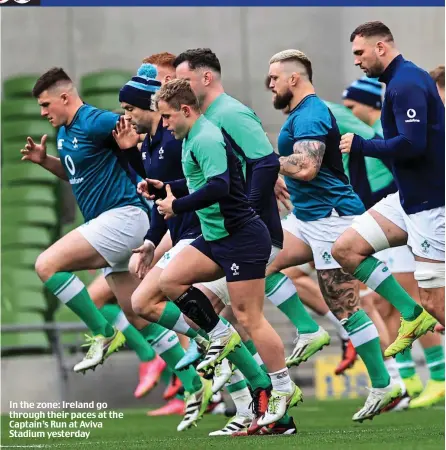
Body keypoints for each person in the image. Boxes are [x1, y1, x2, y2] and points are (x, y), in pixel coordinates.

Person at [141, 78, 302, 428]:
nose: (164, 124)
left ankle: (283, 387)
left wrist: (176, 205)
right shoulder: (190, 138)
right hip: (216, 238)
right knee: (170, 281)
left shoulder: (207, 135)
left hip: (241, 239)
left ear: (186, 110)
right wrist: (163, 188)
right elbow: (199, 180)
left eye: (167, 117)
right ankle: (218, 337)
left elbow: (218, 186)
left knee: (250, 318)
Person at [173, 49, 330, 376]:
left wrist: (249, 204)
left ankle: (265, 393)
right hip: (228, 232)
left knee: (242, 317)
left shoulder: (229, 113)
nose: (178, 87)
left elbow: (265, 162)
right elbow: (245, 167)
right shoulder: (201, 121)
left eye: (184, 80)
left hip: (247, 231)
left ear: (205, 78)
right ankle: (248, 386)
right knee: (203, 311)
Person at [267, 49, 401, 422]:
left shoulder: (310, 112)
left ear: (294, 78)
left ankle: (384, 381)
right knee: (253, 264)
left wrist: (263, 164)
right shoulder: (297, 112)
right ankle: (309, 329)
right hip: (305, 216)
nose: (270, 84)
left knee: (345, 306)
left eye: (274, 77)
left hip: (332, 217)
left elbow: (307, 167)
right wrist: (277, 176)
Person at [21, 67, 151, 373]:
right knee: (142, 314)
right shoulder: (65, 131)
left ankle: (104, 333)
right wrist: (45, 161)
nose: (42, 113)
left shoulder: (96, 121)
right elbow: (75, 174)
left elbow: (147, 136)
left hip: (125, 216)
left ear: (64, 97)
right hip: (112, 223)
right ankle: (200, 375)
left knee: (46, 265)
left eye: (45, 104)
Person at [114, 63, 213, 431]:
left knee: (229, 322)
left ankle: (264, 388)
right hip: (185, 234)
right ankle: (234, 385)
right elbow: (157, 193)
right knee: (147, 304)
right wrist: (149, 243)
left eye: (130, 109)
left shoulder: (174, 140)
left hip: (205, 235)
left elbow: (190, 185)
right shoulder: (152, 143)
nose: (126, 116)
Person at [335, 22, 443, 358]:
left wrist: (363, 145)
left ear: (381, 47)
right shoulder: (396, 82)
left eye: (359, 52)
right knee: (346, 250)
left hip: (430, 202)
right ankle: (411, 316)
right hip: (407, 198)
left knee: (435, 302)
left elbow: (412, 144)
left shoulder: (407, 82)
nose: (356, 61)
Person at [342, 72, 445, 409]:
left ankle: (438, 377)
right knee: (391, 305)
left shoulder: (389, 135)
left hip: (421, 216)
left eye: (351, 102)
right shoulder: (391, 128)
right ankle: (408, 379)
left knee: (427, 303)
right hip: (402, 213)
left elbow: (403, 164)